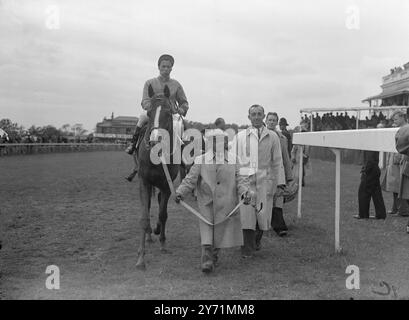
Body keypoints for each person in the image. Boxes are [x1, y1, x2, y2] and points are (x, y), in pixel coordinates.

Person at [175, 129, 253, 273]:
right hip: (206, 201)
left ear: (225, 142)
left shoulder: (235, 159)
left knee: (220, 230)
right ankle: (206, 259)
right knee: (207, 229)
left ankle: (214, 254)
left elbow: (242, 180)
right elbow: (190, 179)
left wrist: (245, 193)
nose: (218, 143)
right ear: (209, 143)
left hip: (226, 202)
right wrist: (180, 192)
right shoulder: (201, 159)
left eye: (221, 140)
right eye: (214, 140)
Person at [233, 105, 283, 257]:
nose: (256, 117)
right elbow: (234, 159)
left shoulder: (273, 136)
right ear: (248, 117)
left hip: (264, 180)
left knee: (262, 214)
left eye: (259, 114)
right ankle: (247, 248)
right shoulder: (240, 136)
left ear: (263, 116)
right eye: (253, 114)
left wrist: (278, 183)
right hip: (245, 181)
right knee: (247, 215)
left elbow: (277, 161)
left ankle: (256, 240)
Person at [126, 54, 189, 155]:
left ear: (171, 69)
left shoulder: (176, 85)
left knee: (179, 125)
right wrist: (151, 108)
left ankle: (181, 151)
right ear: (159, 67)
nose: (166, 69)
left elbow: (184, 103)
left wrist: (180, 110)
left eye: (168, 67)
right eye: (163, 66)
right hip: (153, 112)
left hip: (170, 114)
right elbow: (145, 100)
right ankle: (133, 144)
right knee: (142, 117)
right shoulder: (149, 83)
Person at [266, 112, 293, 236]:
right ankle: (262, 224)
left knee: (279, 198)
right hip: (265, 173)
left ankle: (279, 226)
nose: (271, 122)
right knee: (267, 200)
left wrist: (289, 176)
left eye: (273, 120)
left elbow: (286, 157)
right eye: (269, 120)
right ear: (266, 121)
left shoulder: (283, 138)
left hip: (279, 171)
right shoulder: (260, 135)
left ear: (277, 122)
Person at [354, 125, 386, 220]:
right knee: (376, 193)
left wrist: (365, 170)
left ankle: (363, 215)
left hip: (370, 171)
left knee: (363, 192)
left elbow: (370, 160)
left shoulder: (369, 144)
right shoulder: (373, 142)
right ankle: (381, 215)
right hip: (375, 170)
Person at [381, 111, 409, 216]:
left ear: (403, 118)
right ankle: (396, 208)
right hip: (395, 160)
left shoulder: (406, 128)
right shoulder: (399, 128)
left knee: (401, 185)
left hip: (401, 161)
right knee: (394, 186)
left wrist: (400, 157)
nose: (394, 121)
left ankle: (403, 210)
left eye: (396, 119)